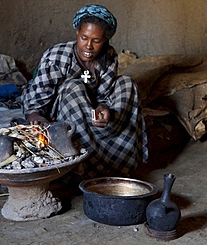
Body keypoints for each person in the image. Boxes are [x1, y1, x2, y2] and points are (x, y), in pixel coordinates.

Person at [21, 4, 148, 179]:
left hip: (91, 112)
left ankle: (118, 163)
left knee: (127, 84)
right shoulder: (57, 57)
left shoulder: (108, 56)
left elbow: (105, 93)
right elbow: (36, 104)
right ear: (76, 33)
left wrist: (103, 107)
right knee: (73, 86)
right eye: (84, 38)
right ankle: (81, 165)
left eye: (96, 41)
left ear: (105, 41)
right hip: (61, 113)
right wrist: (36, 118)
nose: (89, 46)